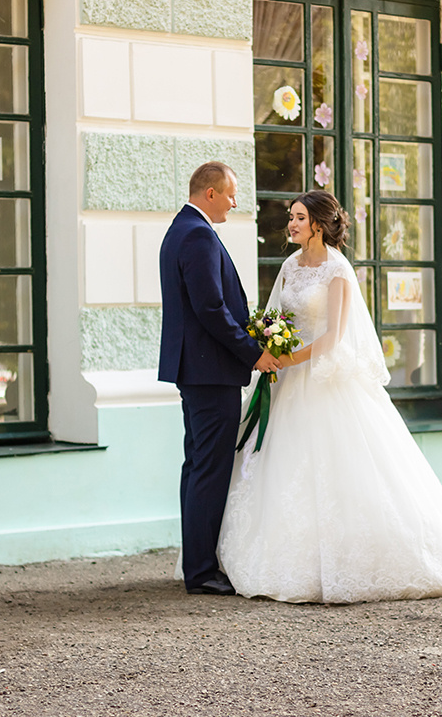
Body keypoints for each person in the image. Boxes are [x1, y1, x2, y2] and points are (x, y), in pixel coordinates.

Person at [217, 190, 442, 603]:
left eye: (299, 218)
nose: (291, 224)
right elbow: (274, 315)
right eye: (291, 217)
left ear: (318, 223)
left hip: (323, 379)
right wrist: (267, 345)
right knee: (276, 467)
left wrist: (288, 358)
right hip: (287, 382)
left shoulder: (337, 270)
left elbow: (333, 335)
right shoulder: (289, 265)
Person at [159, 161, 281, 596]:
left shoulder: (182, 229)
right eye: (230, 193)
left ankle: (197, 564)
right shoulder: (196, 234)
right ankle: (202, 572)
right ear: (209, 193)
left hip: (196, 370)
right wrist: (254, 353)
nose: (235, 201)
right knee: (208, 469)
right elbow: (211, 309)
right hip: (209, 372)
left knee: (197, 465)